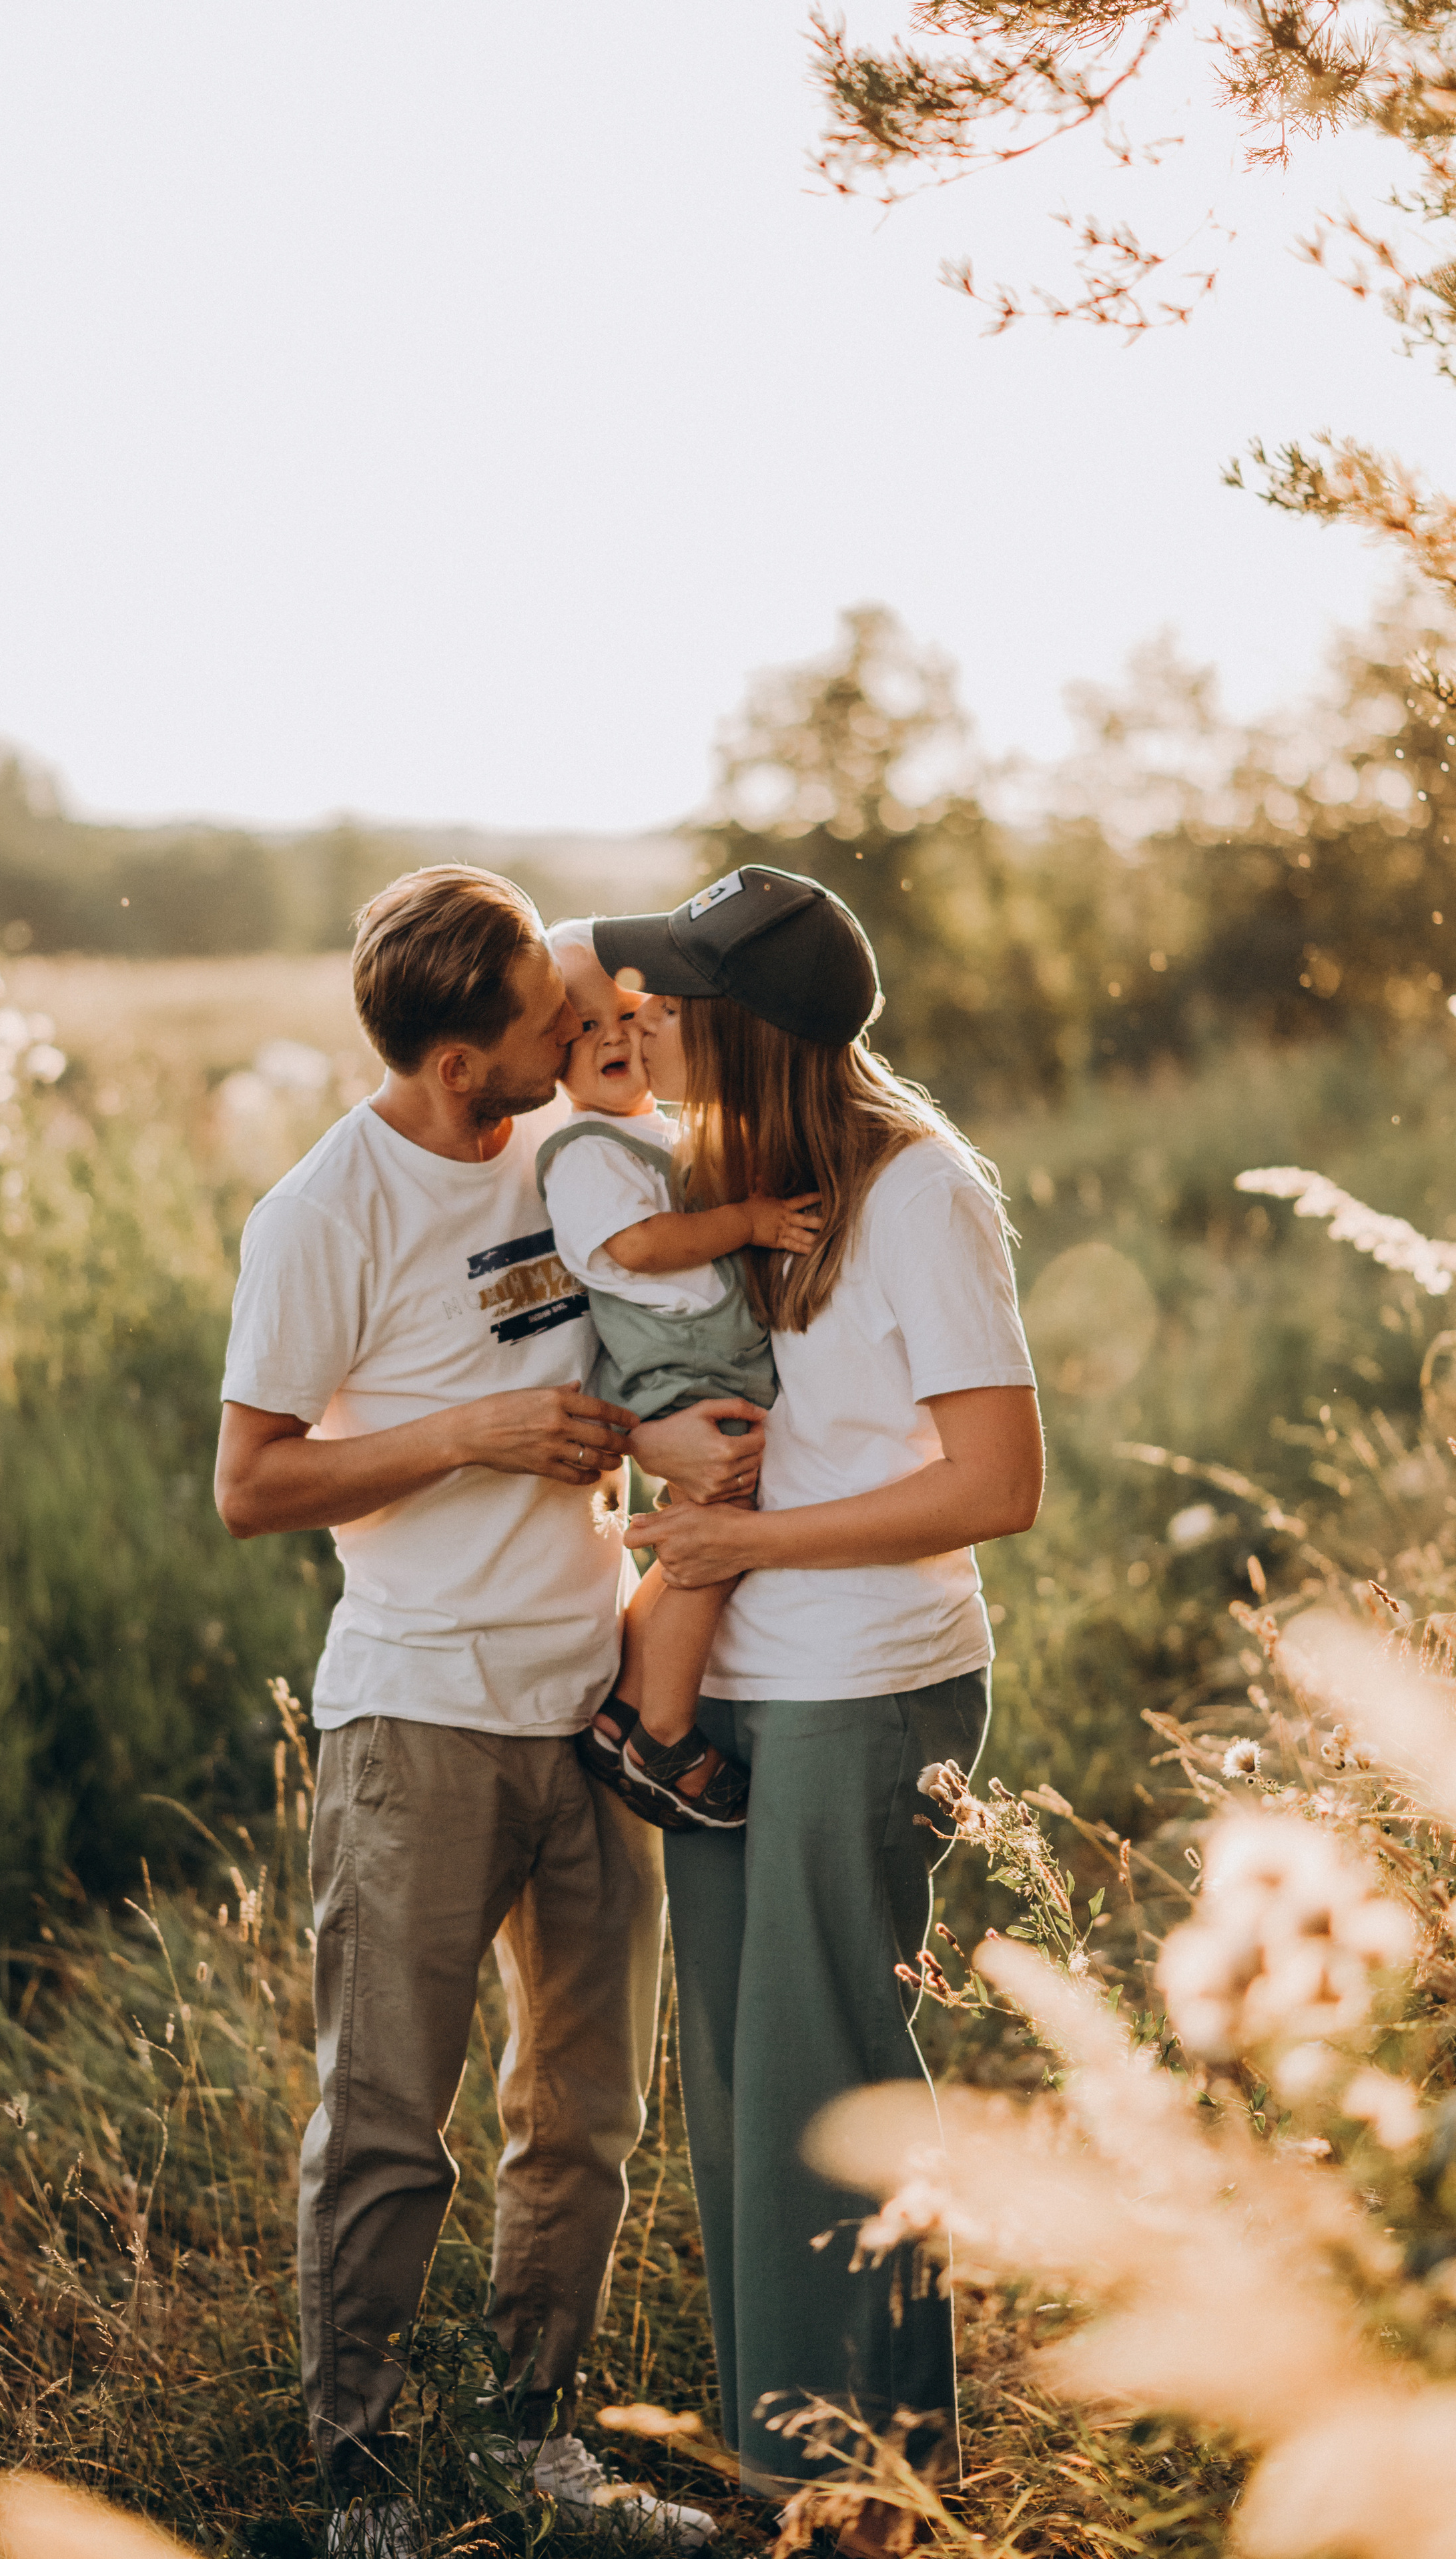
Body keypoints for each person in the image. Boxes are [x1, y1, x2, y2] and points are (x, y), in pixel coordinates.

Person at [214, 866, 759, 2554]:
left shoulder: (560, 1146)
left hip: (593, 1698)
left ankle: (531, 2442)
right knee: (388, 2116)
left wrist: (633, 1433)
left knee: (582, 2111)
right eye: (543, 1023)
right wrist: (470, 1435)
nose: (574, 1029)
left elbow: (604, 1336)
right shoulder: (323, 1214)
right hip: (420, 1717)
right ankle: (361, 2479)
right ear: (461, 1065)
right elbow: (250, 1484)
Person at [592, 865, 1043, 2554]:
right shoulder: (744, 1181)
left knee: (811, 2081)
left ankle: (825, 2502)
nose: (642, 1014)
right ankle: (861, 2475)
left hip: (866, 1684)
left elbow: (998, 1483)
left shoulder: (921, 1192)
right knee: (745, 2087)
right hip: (746, 1685)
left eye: (674, 992)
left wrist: (747, 1538)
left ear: (751, 1025)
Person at [536, 919, 819, 1831]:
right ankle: (665, 1729)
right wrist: (750, 1220)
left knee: (700, 1537)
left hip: (710, 1361)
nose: (613, 1036)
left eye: (627, 1013)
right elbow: (642, 1244)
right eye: (582, 1028)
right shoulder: (580, 1153)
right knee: (715, 1540)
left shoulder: (657, 1131)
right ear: (550, 1052)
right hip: (680, 1374)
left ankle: (623, 1702)